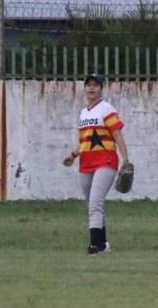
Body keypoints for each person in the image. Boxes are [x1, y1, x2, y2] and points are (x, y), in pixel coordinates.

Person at [63, 74, 130, 254]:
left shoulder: (106, 109)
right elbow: (86, 140)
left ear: (101, 88)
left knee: (95, 203)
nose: (92, 88)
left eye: (96, 85)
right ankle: (103, 244)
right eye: (88, 85)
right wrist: (73, 154)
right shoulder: (84, 113)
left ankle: (94, 246)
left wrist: (126, 159)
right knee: (93, 205)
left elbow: (117, 134)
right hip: (86, 162)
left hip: (106, 160)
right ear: (84, 88)